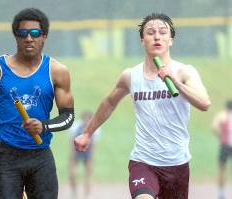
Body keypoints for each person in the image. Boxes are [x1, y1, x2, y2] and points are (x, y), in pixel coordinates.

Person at [74, 13, 211, 199]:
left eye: (163, 32)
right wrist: (88, 133)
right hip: (143, 161)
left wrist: (175, 82)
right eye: (150, 32)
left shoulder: (185, 71)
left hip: (177, 164)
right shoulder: (131, 76)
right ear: (142, 40)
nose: (157, 36)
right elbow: (109, 102)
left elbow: (204, 103)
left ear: (170, 40)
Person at [0, 8, 74, 199]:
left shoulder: (57, 71)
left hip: (41, 155)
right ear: (16, 36)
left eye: (35, 33)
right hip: (7, 156)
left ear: (44, 36)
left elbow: (68, 116)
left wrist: (43, 126)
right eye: (23, 33)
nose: (29, 38)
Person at [68, 111, 102, 199]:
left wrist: (91, 157)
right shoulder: (75, 127)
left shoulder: (96, 129)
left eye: (88, 120)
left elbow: (94, 145)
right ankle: (74, 192)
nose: (86, 121)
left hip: (87, 153)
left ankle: (87, 195)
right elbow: (71, 142)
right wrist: (72, 156)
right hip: (76, 151)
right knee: (72, 174)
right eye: (85, 119)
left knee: (88, 175)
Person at [212, 100, 232, 199]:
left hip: (225, 145)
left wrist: (221, 136)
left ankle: (221, 194)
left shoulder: (222, 115)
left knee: (222, 170)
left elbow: (214, 127)